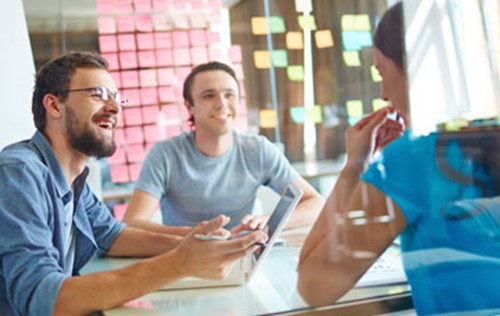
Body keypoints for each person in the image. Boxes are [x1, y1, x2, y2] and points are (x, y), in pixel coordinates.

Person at [0, 51, 267, 316]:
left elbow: (112, 236)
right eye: (98, 95)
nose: (115, 108)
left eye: (116, 98)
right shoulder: (20, 172)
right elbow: (40, 297)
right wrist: (179, 263)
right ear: (54, 105)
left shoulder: (74, 176)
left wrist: (192, 240)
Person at [297, 2, 500, 315]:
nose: (383, 93)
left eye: (382, 72)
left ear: (415, 69)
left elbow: (313, 285)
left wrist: (355, 166)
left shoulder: (412, 159)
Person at [123, 61, 324, 234]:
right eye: (209, 96)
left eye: (229, 95)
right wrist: (192, 235)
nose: (222, 104)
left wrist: (271, 223)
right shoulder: (165, 155)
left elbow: (315, 203)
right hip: (183, 259)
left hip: (243, 255)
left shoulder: (258, 149)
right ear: (189, 106)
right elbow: (132, 223)